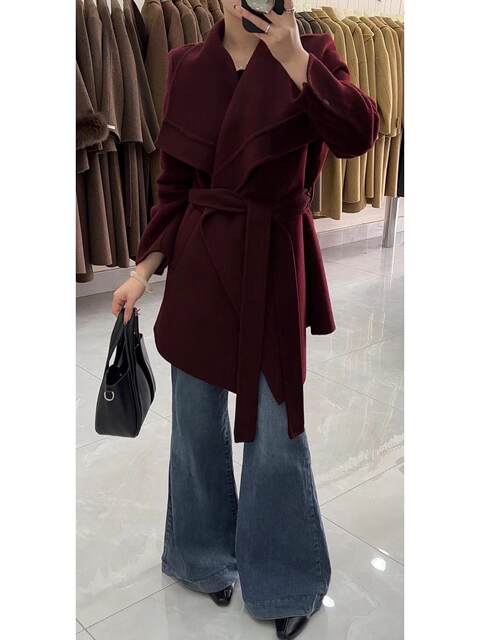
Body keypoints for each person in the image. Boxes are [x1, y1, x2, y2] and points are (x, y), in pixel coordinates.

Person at [112, 2, 379, 638]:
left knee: (278, 429)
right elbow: (174, 188)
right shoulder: (186, 66)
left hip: (272, 262)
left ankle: (285, 577)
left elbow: (358, 134)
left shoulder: (314, 53)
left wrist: (293, 59)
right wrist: (142, 271)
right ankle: (200, 557)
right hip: (202, 263)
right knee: (196, 423)